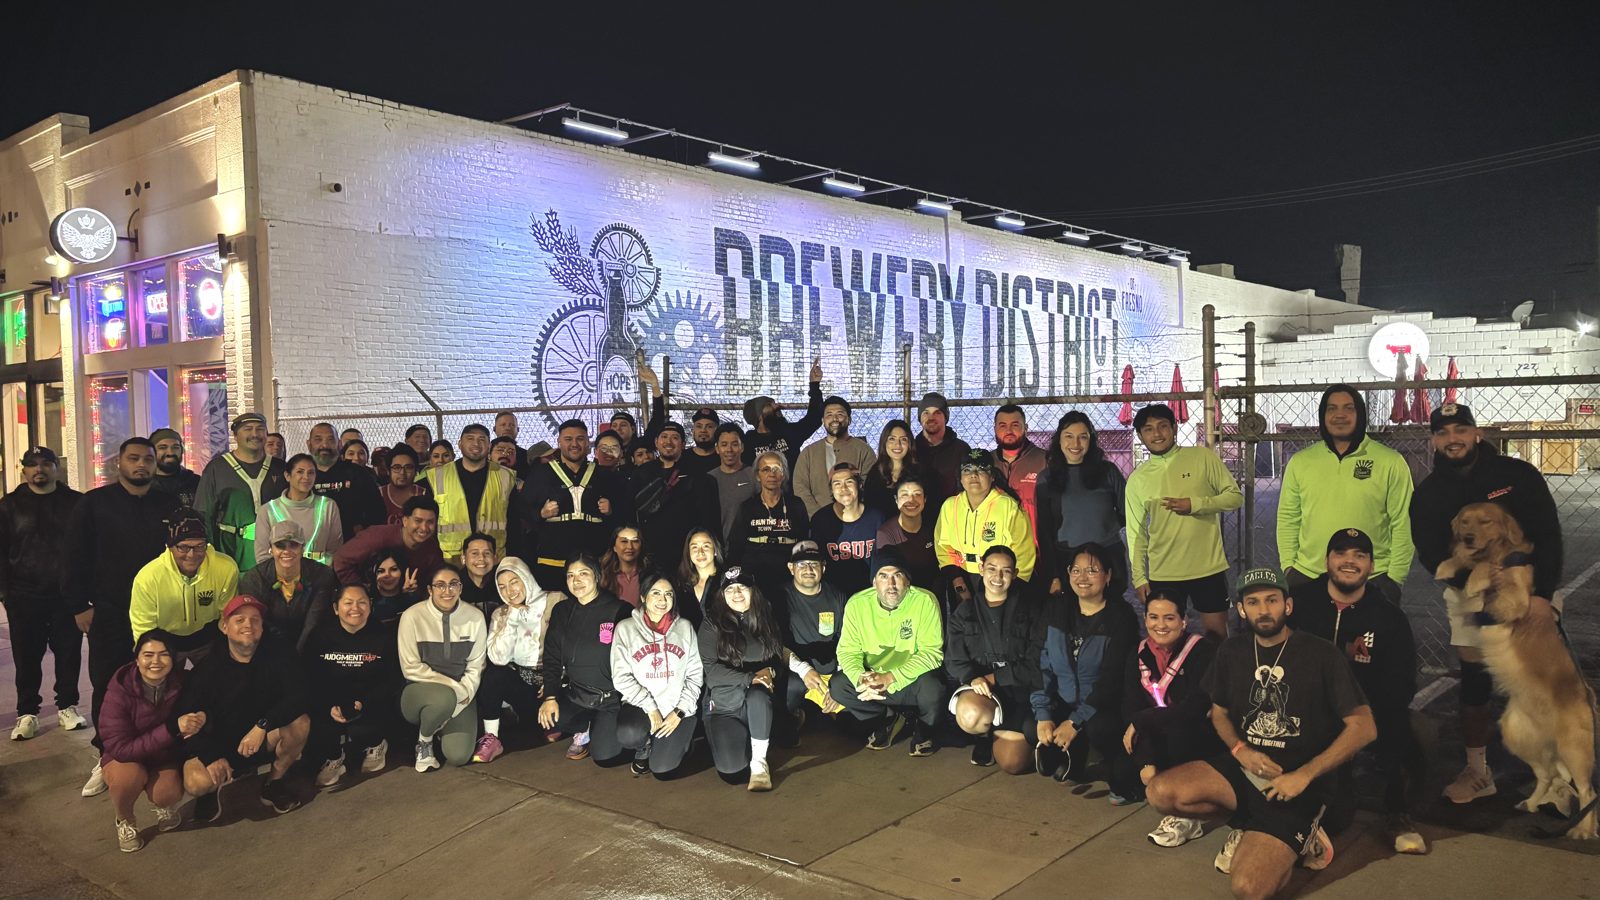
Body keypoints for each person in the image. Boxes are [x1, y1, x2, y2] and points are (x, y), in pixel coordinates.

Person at [1145, 569, 1376, 894]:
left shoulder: (1321, 654)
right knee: (1161, 792)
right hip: (1246, 769)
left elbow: (1364, 727)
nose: (1263, 610)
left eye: (1272, 600)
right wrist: (1241, 750)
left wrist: (1306, 775)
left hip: (1294, 781)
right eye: (1253, 602)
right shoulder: (1232, 651)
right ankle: (1248, 822)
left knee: (1248, 887)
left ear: (1288, 606)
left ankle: (1301, 833)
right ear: (1241, 609)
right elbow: (1220, 714)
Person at [1409, 402, 1563, 805]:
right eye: (1443, 433)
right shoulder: (1430, 493)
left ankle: (1554, 775)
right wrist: (1474, 585)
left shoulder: (1516, 475)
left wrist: (1543, 596)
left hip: (1528, 590)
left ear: (1477, 433)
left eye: (1461, 430)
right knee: (1474, 679)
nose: (1452, 439)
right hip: (1470, 592)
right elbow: (1429, 552)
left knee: (1535, 682)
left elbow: (1548, 533)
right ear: (1433, 440)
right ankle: (1478, 770)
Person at [1290, 528, 1427, 854]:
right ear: (1327, 560)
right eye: (1341, 553)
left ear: (1371, 565)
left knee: (1396, 723)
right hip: (1306, 711)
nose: (1349, 561)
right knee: (1335, 819)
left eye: (1359, 555)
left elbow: (1400, 684)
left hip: (1360, 713)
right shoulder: (1301, 603)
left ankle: (1396, 812)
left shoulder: (1388, 616)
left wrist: (1359, 724)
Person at [62, 437, 180, 797]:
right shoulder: (94, 504)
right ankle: (107, 756)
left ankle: (155, 752)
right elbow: (73, 556)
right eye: (134, 458)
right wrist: (80, 605)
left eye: (148, 458)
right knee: (107, 682)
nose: (142, 464)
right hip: (109, 611)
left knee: (160, 681)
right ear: (120, 463)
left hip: (158, 612)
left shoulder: (168, 503)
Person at [178, 594, 311, 822]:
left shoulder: (278, 656)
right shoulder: (207, 669)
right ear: (224, 626)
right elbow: (185, 722)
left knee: (301, 724)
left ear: (262, 626)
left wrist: (263, 725)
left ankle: (274, 782)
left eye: (255, 620)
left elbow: (299, 696)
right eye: (239, 620)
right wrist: (211, 757)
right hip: (220, 746)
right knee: (196, 782)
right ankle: (211, 791)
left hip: (260, 738)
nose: (248, 625)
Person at [1278, 386, 1413, 603]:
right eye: (1332, 408)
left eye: (1348, 408)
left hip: (1371, 578)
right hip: (1308, 575)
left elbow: (1403, 521)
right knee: (1309, 638)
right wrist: (1289, 567)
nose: (1340, 415)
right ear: (1323, 416)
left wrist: (1395, 577)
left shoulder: (1391, 461)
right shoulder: (1301, 462)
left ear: (1360, 414)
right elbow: (1288, 518)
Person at [1032, 543, 1141, 802]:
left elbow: (1111, 681)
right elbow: (1040, 662)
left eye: (1092, 570)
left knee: (1100, 729)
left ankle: (1117, 760)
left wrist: (1074, 722)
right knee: (1031, 727)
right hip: (1065, 700)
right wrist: (1043, 714)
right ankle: (1074, 753)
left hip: (1103, 706)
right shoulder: (1056, 609)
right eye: (1076, 570)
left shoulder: (1120, 618)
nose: (1082, 577)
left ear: (1108, 575)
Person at [1125, 403, 1242, 641]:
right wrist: (1139, 577)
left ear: (1174, 428)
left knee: (1217, 636)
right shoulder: (1137, 479)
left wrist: (1196, 504)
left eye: (1162, 426)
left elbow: (1235, 497)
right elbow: (1136, 532)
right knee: (1167, 638)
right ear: (1140, 435)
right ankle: (1175, 678)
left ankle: (1217, 678)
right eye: (1148, 429)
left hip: (1207, 568)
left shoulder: (1201, 457)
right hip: (1164, 572)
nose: (1157, 434)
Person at [699, 566, 814, 791]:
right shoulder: (711, 624)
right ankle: (760, 734)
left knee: (762, 694)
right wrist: (751, 676)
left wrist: (773, 671)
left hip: (758, 698)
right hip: (725, 705)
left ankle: (760, 762)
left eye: (742, 587)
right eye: (730, 589)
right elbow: (712, 674)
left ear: (754, 591)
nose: (737, 593)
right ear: (722, 595)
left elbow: (776, 655)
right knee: (733, 773)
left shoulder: (764, 617)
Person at [1124, 590, 1222, 848]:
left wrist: (1142, 721)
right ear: (1145, 620)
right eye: (1153, 617)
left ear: (1183, 621)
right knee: (1136, 775)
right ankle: (1172, 794)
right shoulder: (1138, 652)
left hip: (1196, 735)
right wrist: (1146, 759)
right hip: (1156, 734)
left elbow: (1194, 707)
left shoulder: (1203, 651)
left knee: (1180, 728)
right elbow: (1132, 707)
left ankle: (1188, 816)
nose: (1160, 625)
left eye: (1169, 618)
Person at [0, 445, 84, 741]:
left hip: (65, 595)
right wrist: (5, 593)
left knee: (69, 652)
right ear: (23, 470)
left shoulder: (75, 503)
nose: (39, 469)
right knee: (26, 656)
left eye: (45, 463)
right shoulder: (9, 506)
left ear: (55, 468)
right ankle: (27, 712)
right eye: (32, 464)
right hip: (24, 595)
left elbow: (86, 549)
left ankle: (68, 706)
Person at [828, 547, 945, 756]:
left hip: (910, 681)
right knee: (839, 685)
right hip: (876, 682)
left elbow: (932, 653)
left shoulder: (925, 601)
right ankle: (888, 719)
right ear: (874, 582)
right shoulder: (857, 604)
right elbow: (847, 650)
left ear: (907, 581)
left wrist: (891, 677)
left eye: (897, 576)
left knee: (933, 687)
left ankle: (924, 729)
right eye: (883, 576)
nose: (890, 584)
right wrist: (861, 678)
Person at [948, 545, 1043, 773]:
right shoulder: (965, 612)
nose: (997, 577)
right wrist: (972, 678)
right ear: (981, 569)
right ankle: (984, 734)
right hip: (986, 695)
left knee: (1013, 764)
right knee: (970, 714)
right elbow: (954, 660)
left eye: (1006, 571)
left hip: (1023, 691)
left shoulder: (1031, 610)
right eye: (991, 569)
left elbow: (1036, 664)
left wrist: (992, 677)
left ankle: (1035, 741)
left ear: (1015, 573)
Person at [99, 629, 187, 852]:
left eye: (164, 654)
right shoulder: (119, 690)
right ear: (137, 659)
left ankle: (163, 805)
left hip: (162, 757)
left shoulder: (182, 684)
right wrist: (170, 730)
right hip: (123, 759)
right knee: (128, 777)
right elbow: (119, 747)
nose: (155, 661)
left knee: (167, 793)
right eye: (148, 655)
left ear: (173, 659)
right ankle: (125, 819)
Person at [537, 555, 631, 765]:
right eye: (571, 576)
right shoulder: (563, 611)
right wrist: (550, 696)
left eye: (583, 574)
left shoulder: (619, 610)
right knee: (550, 720)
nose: (576, 581)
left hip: (610, 699)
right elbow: (551, 656)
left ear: (597, 576)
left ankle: (604, 731)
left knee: (604, 757)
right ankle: (586, 727)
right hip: (577, 694)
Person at [519, 419, 632, 590]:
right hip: (552, 561)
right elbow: (522, 509)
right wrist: (541, 514)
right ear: (559, 442)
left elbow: (625, 514)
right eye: (568, 439)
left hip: (594, 560)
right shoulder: (541, 474)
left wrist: (611, 510)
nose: (574, 444)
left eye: (580, 439)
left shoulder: (604, 475)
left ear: (588, 443)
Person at [306, 584, 402, 786]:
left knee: (363, 729)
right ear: (335, 608)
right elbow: (311, 678)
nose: (355, 608)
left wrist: (363, 702)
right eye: (348, 603)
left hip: (368, 701)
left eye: (362, 602)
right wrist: (328, 706)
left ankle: (376, 744)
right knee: (319, 727)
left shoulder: (383, 637)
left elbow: (391, 679)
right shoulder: (320, 636)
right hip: (332, 701)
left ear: (370, 605)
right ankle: (334, 757)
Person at [611, 572, 702, 779]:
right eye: (656, 593)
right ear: (643, 596)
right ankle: (644, 746)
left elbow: (695, 675)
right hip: (642, 707)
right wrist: (650, 707)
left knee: (662, 770)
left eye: (669, 594)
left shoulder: (684, 628)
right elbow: (621, 677)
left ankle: (683, 742)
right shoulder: (625, 629)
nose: (663, 600)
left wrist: (679, 711)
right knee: (629, 734)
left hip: (677, 710)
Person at [399, 562, 487, 771]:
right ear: (430, 589)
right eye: (440, 585)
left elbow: (476, 665)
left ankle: (440, 723)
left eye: (453, 584)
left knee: (458, 756)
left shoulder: (474, 617)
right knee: (443, 698)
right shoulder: (412, 616)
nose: (447, 591)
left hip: (462, 693)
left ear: (461, 588)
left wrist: (464, 692)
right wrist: (453, 688)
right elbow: (410, 667)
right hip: (419, 692)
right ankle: (425, 740)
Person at [1036, 411, 1129, 600]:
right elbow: (1044, 530)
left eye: (1083, 437)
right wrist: (1053, 574)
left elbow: (1126, 512)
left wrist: (1105, 531)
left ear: (1091, 441)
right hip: (1067, 560)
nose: (1075, 444)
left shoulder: (1108, 472)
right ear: (1059, 440)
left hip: (1107, 557)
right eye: (1069, 436)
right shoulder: (1047, 478)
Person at [472, 557, 556, 764]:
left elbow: (568, 643)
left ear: (526, 578)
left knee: (560, 721)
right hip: (525, 687)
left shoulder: (554, 601)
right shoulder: (500, 613)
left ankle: (555, 723)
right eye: (502, 586)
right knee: (494, 674)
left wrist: (553, 682)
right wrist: (511, 619)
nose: (510, 591)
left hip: (554, 684)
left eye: (514, 582)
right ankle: (492, 737)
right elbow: (497, 658)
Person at [128, 508, 240, 663]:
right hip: (165, 642)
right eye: (183, 547)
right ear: (170, 546)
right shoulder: (148, 578)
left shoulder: (225, 568)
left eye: (200, 546)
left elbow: (228, 615)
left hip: (207, 638)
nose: (192, 555)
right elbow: (143, 628)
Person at [934, 449, 1036, 603]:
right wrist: (958, 581)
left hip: (999, 580)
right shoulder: (950, 506)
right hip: (962, 577)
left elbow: (1024, 553)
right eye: (967, 470)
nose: (973, 475)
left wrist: (1012, 588)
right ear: (960, 478)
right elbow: (943, 548)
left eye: (981, 469)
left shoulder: (1008, 506)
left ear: (992, 476)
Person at [193, 412, 286, 573]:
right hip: (231, 554)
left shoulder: (281, 468)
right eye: (248, 429)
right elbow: (204, 514)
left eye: (260, 429)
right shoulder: (217, 468)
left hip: (276, 556)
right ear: (235, 435)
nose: (255, 434)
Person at [239, 520, 338, 654]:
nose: (287, 551)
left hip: (312, 649)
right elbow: (259, 622)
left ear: (303, 548)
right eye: (280, 545)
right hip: (268, 650)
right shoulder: (254, 578)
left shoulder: (323, 575)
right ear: (271, 549)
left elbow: (314, 623)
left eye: (293, 545)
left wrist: (295, 658)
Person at [634, 422, 718, 574]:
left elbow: (708, 515)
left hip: (686, 553)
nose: (668, 442)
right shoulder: (643, 473)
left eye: (675, 438)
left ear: (683, 444)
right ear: (656, 442)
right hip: (651, 551)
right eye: (664, 437)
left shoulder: (696, 473)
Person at [423, 424, 514, 561]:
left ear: (489, 445)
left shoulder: (505, 476)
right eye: (470, 438)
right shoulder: (437, 476)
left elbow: (514, 520)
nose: (476, 444)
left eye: (482, 439)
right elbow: (429, 520)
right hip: (451, 558)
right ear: (460, 444)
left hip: (492, 556)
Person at [778, 541, 847, 723]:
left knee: (853, 723)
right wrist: (804, 670)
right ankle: (793, 719)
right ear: (791, 568)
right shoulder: (779, 597)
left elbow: (847, 641)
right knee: (792, 687)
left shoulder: (837, 596)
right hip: (799, 673)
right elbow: (775, 644)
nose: (808, 569)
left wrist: (839, 683)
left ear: (823, 567)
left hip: (831, 675)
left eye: (814, 564)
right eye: (801, 564)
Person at [727, 450, 809, 601]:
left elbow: (805, 540)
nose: (772, 474)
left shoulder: (796, 505)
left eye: (777, 469)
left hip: (788, 571)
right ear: (758, 476)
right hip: (755, 571)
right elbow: (735, 546)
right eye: (766, 469)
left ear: (783, 474)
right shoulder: (747, 507)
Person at [332, 495, 444, 588]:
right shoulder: (377, 537)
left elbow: (436, 579)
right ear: (405, 521)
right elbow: (340, 559)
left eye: (430, 522)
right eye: (418, 521)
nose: (424, 528)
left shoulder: (431, 548)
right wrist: (360, 590)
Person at [794, 396, 877, 516]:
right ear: (823, 420)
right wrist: (818, 516)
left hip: (855, 518)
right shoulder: (809, 453)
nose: (834, 419)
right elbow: (800, 487)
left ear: (849, 419)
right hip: (818, 521)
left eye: (840, 414)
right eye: (829, 415)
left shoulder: (864, 450)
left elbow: (870, 486)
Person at [810, 462, 884, 596]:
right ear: (831, 489)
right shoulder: (820, 520)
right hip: (833, 593)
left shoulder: (876, 518)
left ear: (859, 485)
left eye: (849, 482)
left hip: (869, 592)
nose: (843, 488)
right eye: (837, 484)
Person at [255, 453, 344, 564]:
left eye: (311, 473)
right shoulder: (268, 510)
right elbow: (263, 557)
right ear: (287, 476)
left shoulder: (327, 506)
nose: (306, 477)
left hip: (320, 575)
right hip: (282, 578)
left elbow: (335, 550)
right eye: (300, 472)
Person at [740, 360, 825, 468]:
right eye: (769, 405)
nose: (776, 406)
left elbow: (814, 419)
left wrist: (814, 385)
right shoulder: (748, 442)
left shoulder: (788, 432)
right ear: (759, 415)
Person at [305, 422, 383, 539]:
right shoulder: (301, 476)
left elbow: (377, 514)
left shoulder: (358, 474)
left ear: (340, 444)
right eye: (318, 440)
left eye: (331, 440)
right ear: (309, 444)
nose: (324, 445)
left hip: (353, 547)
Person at [864, 419, 939, 517]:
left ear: (909, 444)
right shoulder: (875, 474)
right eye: (892, 439)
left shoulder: (923, 473)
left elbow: (933, 507)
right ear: (884, 442)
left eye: (903, 439)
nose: (897, 445)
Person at [873, 478, 939, 591]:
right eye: (904, 495)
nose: (911, 500)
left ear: (925, 499)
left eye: (917, 494)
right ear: (896, 500)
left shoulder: (935, 526)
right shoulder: (886, 533)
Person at [992, 404, 1047, 535]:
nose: (1009, 430)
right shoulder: (987, 462)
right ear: (995, 429)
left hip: (1035, 546)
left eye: (1015, 425)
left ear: (1026, 428)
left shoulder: (1045, 460)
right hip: (996, 547)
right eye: (1003, 425)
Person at [914, 392, 971, 501]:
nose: (931, 417)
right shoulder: (912, 449)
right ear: (920, 418)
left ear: (945, 417)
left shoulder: (961, 449)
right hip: (917, 512)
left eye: (937, 412)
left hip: (952, 512)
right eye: (926, 413)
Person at [707, 423, 754, 543]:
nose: (729, 449)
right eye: (724, 445)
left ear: (742, 447)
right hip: (716, 547)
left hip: (748, 548)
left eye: (734, 444)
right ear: (717, 448)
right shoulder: (708, 479)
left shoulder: (755, 476)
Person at [676, 529, 723, 627]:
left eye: (706, 546)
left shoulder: (727, 580)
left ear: (715, 550)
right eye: (694, 547)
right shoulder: (680, 584)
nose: (700, 552)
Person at [368, 550, 423, 626]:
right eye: (381, 571)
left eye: (394, 569)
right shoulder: (366, 600)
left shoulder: (413, 599)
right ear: (373, 574)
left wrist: (409, 595)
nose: (387, 575)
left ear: (402, 571)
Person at [149, 428, 200, 509]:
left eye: (175, 447)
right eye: (162, 447)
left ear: (182, 450)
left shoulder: (197, 483)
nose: (170, 452)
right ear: (151, 452)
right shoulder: (143, 485)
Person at [379, 444, 427, 525]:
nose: (402, 473)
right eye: (396, 467)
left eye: (408, 467)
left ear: (416, 471)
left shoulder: (424, 494)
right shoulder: (379, 494)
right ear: (388, 471)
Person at [600, 524, 645, 607]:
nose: (629, 547)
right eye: (624, 541)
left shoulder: (651, 574)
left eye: (635, 541)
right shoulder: (603, 576)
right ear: (614, 547)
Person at [460, 532, 501, 613]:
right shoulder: (454, 586)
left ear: (495, 558)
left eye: (487, 553)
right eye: (475, 553)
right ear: (463, 559)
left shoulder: (504, 583)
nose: (481, 558)